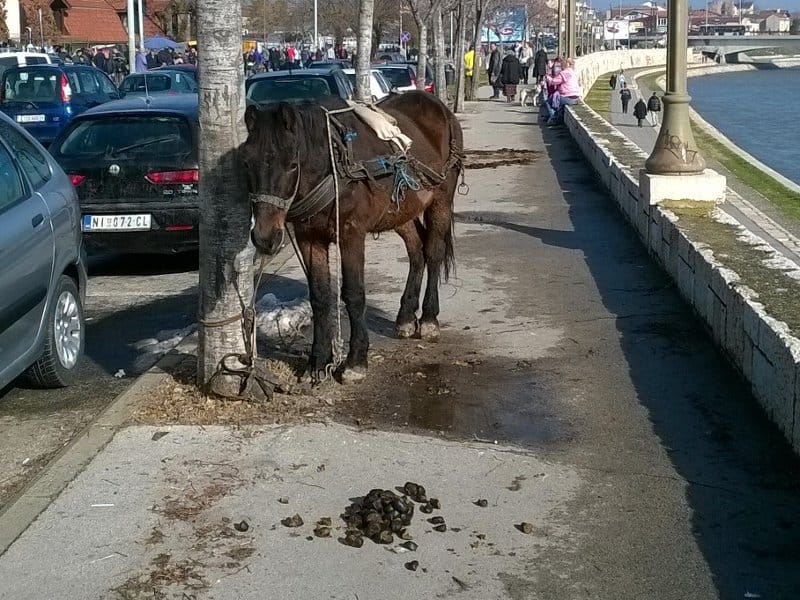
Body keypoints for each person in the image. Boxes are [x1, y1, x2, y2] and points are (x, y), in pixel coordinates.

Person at [544, 57, 582, 125]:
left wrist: (547, 77)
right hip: (576, 97)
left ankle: (553, 119)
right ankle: (556, 117)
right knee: (557, 100)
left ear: (565, 64)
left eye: (562, 64)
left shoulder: (564, 73)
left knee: (549, 101)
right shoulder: (572, 72)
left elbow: (554, 81)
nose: (561, 66)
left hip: (568, 97)